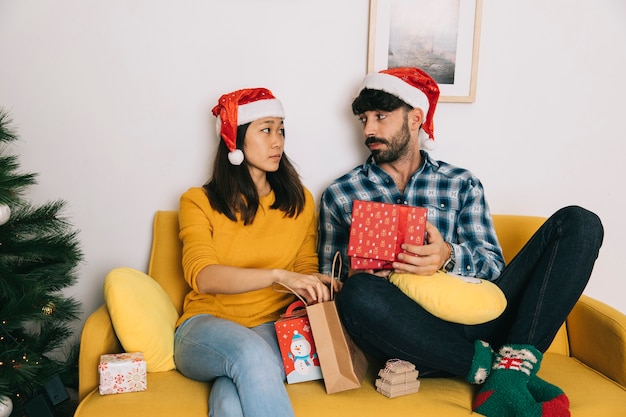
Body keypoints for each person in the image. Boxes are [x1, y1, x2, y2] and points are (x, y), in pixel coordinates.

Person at [317, 67, 604, 417]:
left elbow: (493, 267)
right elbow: (327, 286)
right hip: (410, 335)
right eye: (364, 119)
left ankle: (509, 370)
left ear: (414, 119)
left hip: (479, 317)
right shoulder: (340, 193)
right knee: (357, 293)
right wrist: (360, 276)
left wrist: (446, 256)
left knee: (580, 222)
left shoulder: (461, 183)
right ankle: (494, 371)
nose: (369, 130)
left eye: (381, 117)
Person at [174, 87, 335, 417]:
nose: (278, 141)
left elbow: (304, 267)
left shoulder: (300, 201)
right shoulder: (197, 202)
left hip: (272, 328)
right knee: (249, 354)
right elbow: (203, 277)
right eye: (265, 130)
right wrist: (276, 275)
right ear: (236, 139)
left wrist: (320, 284)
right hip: (204, 327)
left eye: (281, 130)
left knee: (230, 401)